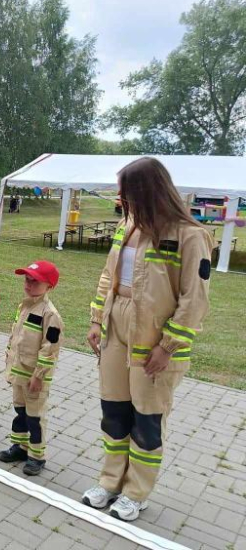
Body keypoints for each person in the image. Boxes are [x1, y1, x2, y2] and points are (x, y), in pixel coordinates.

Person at [82, 156, 213, 522]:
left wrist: (168, 346)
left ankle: (136, 492)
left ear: (148, 190)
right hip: (115, 328)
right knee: (114, 412)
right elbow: (108, 277)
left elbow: (194, 299)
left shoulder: (190, 235)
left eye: (127, 192)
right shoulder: (128, 226)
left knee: (147, 419)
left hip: (154, 339)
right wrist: (96, 320)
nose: (121, 199)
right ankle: (109, 482)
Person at [0, 261, 63, 476]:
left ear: (49, 286)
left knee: (35, 416)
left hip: (35, 377)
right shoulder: (24, 306)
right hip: (19, 372)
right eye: (27, 279)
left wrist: (39, 376)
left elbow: (50, 349)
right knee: (20, 412)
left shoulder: (50, 315)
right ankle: (20, 447)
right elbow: (16, 336)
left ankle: (37, 455)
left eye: (35, 281)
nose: (29, 284)